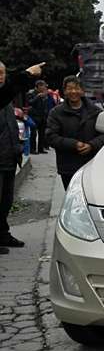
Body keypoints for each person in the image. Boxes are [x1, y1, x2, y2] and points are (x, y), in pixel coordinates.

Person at [45, 76, 104, 189]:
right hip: (68, 166)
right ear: (64, 91)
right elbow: (51, 137)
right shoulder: (56, 113)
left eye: (77, 88)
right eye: (69, 88)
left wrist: (92, 145)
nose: (73, 91)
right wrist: (73, 144)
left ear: (82, 90)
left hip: (91, 164)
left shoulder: (95, 111)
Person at [0, 83, 24, 253]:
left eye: (2, 73)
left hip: (9, 159)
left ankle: (2, 234)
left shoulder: (7, 101)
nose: (0, 77)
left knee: (6, 201)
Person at [29, 80, 56, 153]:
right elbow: (30, 103)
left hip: (43, 116)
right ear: (39, 86)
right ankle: (32, 149)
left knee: (42, 133)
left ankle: (41, 149)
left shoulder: (46, 94)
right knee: (33, 133)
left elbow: (50, 104)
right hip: (34, 116)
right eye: (43, 86)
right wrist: (37, 97)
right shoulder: (32, 93)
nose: (45, 88)